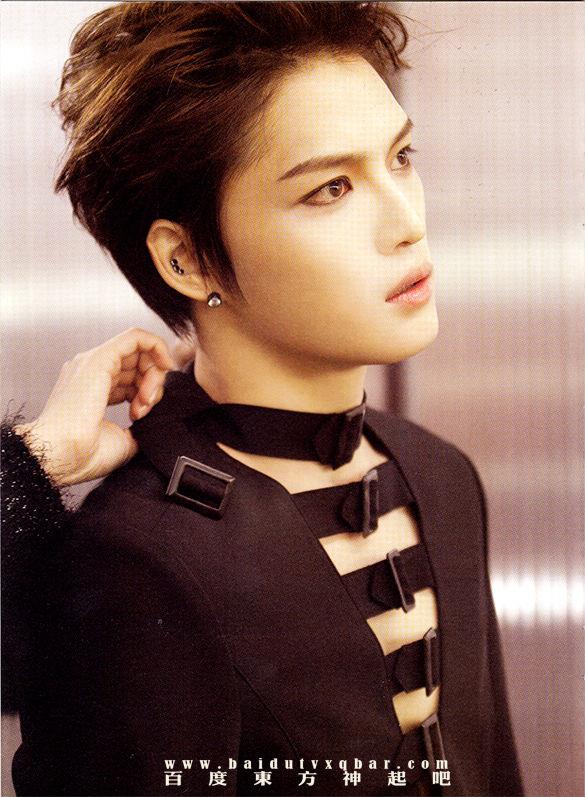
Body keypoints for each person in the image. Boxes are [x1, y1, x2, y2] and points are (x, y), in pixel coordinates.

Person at [10, 3, 523, 796]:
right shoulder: (138, 551)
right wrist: (36, 462)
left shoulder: (439, 473)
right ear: (185, 260)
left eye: (401, 157)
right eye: (330, 188)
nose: (406, 222)